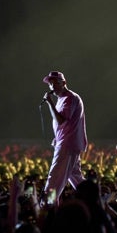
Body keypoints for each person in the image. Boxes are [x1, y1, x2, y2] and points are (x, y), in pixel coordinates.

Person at [41, 71, 88, 206]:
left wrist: (49, 103)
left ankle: (48, 209)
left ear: (64, 83)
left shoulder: (70, 98)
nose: (52, 86)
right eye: (50, 84)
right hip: (66, 143)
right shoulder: (63, 99)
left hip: (67, 146)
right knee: (79, 182)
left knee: (53, 181)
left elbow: (61, 120)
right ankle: (98, 201)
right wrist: (57, 138)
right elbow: (65, 125)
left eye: (56, 83)